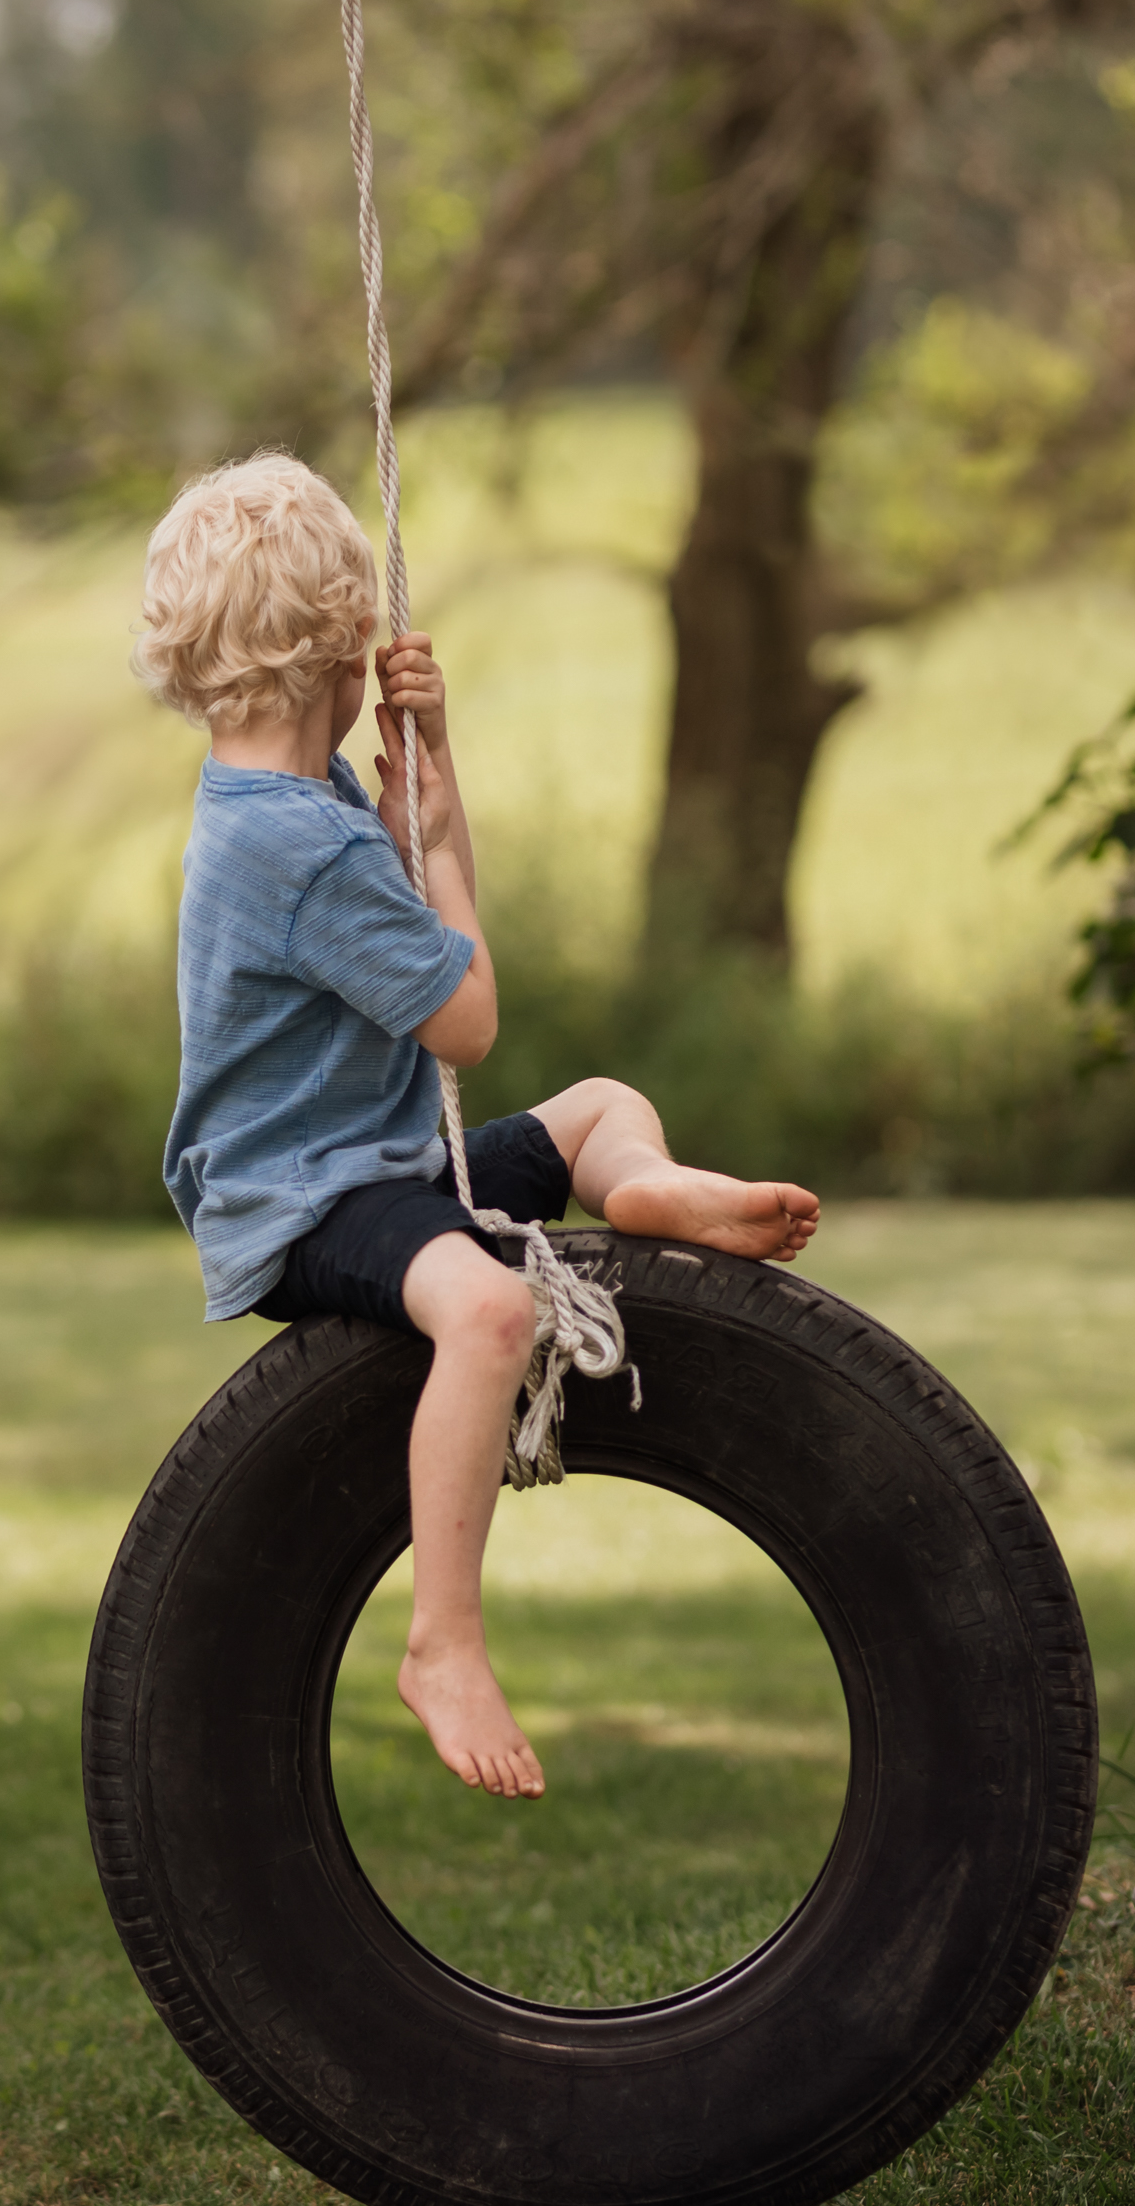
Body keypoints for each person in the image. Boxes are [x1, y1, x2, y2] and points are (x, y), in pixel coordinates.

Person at [140, 452, 821, 1802]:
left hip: (391, 1162)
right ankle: (442, 1640)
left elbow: (418, 943)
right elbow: (466, 1018)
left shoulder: (286, 802)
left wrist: (424, 786)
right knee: (493, 1316)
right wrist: (440, 843)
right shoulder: (301, 845)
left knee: (602, 1109)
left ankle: (646, 1189)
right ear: (342, 654)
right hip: (312, 1199)